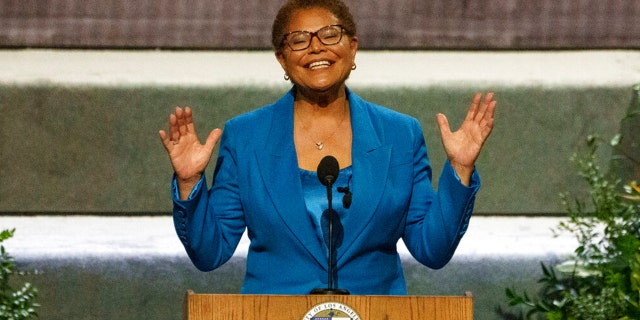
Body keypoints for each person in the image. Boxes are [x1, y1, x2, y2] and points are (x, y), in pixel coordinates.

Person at [159, 0, 496, 295]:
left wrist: (460, 170)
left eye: (330, 35)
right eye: (299, 40)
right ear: (282, 59)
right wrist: (189, 183)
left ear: (352, 48)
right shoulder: (246, 136)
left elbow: (432, 249)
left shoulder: (399, 135)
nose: (316, 48)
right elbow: (210, 252)